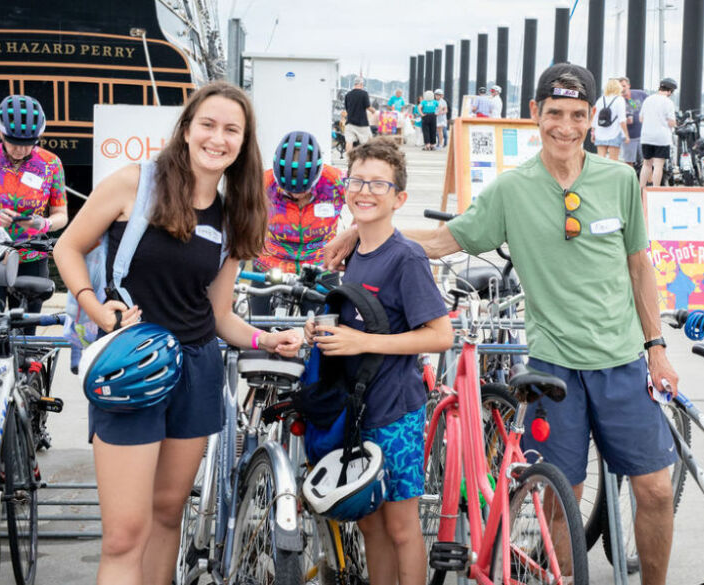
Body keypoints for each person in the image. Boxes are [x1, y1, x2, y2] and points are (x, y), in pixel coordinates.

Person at [326, 63, 678, 585]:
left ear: (591, 119)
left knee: (654, 490)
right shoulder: (511, 189)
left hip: (623, 360)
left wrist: (656, 346)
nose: (566, 126)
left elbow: (638, 265)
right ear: (535, 114)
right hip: (554, 365)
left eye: (578, 115)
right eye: (555, 113)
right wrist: (368, 228)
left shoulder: (621, 179)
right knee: (560, 500)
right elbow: (447, 240)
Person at [53, 80, 300, 585]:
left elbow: (218, 314)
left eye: (232, 130)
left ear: (243, 142)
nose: (218, 138)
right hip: (132, 366)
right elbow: (67, 247)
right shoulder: (135, 184)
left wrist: (265, 339)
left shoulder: (234, 217)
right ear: (186, 130)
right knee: (124, 535)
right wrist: (96, 308)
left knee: (168, 516)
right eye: (207, 124)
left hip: (196, 370)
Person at [306, 137, 453, 585]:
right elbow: (360, 322)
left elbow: (440, 335)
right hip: (357, 409)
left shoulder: (405, 257)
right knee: (370, 521)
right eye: (357, 181)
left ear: (399, 198)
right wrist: (323, 332)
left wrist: (360, 343)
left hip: (396, 412)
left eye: (378, 184)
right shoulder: (355, 251)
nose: (365, 191)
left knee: (401, 526)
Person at [0, 94, 68, 319]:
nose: (21, 150)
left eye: (28, 144)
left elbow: (61, 215)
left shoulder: (51, 163)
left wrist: (45, 223)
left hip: (31, 256)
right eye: (14, 143)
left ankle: (23, 355)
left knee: (25, 332)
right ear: (1, 133)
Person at [250, 130, 345, 315]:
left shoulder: (336, 182)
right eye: (288, 191)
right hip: (271, 261)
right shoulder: (262, 183)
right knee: (258, 327)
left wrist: (354, 233)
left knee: (325, 332)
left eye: (305, 190)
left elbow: (367, 204)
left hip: (320, 263)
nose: (296, 195)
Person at [639, 78, 678, 189]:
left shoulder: (648, 100)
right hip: (662, 138)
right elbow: (671, 122)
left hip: (646, 137)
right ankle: (655, 190)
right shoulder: (668, 102)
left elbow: (641, 119)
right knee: (658, 166)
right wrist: (674, 124)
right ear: (670, 91)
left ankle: (641, 189)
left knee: (646, 164)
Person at [591, 78, 629, 161]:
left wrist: (593, 133)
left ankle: (600, 174)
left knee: (600, 161)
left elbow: (594, 118)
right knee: (613, 161)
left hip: (600, 133)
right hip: (614, 133)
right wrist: (626, 135)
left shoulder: (600, 100)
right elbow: (622, 120)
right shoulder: (619, 100)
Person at [618, 76, 648, 167]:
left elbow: (650, 105)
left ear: (628, 85)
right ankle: (630, 180)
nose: (622, 88)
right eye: (620, 86)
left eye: (624, 86)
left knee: (646, 162)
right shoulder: (618, 100)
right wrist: (625, 120)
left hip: (644, 135)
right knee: (628, 163)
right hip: (629, 137)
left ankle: (647, 181)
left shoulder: (640, 94)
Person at [344, 77, 375, 154]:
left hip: (350, 122)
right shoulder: (364, 94)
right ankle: (367, 158)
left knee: (349, 141)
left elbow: (347, 109)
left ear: (354, 84)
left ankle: (349, 159)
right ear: (361, 84)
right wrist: (374, 111)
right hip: (362, 123)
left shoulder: (348, 95)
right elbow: (368, 106)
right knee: (369, 141)